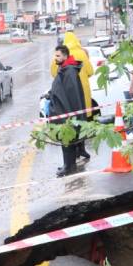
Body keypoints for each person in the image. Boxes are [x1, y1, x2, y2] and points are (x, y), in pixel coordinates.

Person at [50, 31, 93, 162]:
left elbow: (54, 73)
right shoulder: (82, 53)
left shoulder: (60, 55)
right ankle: (82, 149)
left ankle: (73, 155)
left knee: (70, 123)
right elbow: (91, 71)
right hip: (83, 93)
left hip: (67, 95)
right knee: (82, 121)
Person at [49, 44, 86, 177]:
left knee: (67, 139)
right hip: (64, 111)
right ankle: (69, 164)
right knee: (67, 139)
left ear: (65, 56)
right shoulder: (65, 68)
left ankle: (68, 166)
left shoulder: (69, 71)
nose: (56, 58)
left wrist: (69, 117)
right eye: (55, 55)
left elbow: (71, 95)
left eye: (58, 55)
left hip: (66, 112)